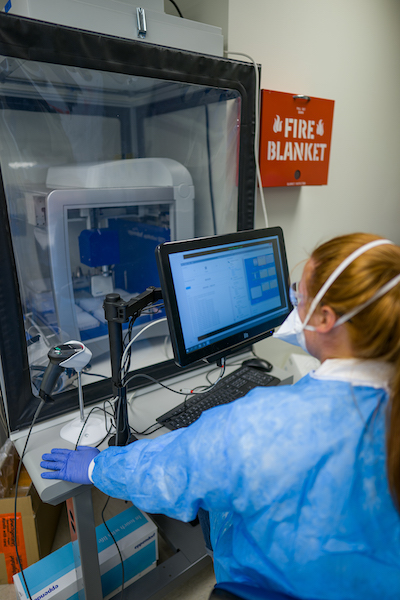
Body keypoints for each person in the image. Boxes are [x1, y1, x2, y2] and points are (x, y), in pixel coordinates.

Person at [41, 232, 400, 599]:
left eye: (300, 297)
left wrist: (95, 468)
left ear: (325, 318)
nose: (294, 305)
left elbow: (167, 473)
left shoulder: (264, 424)